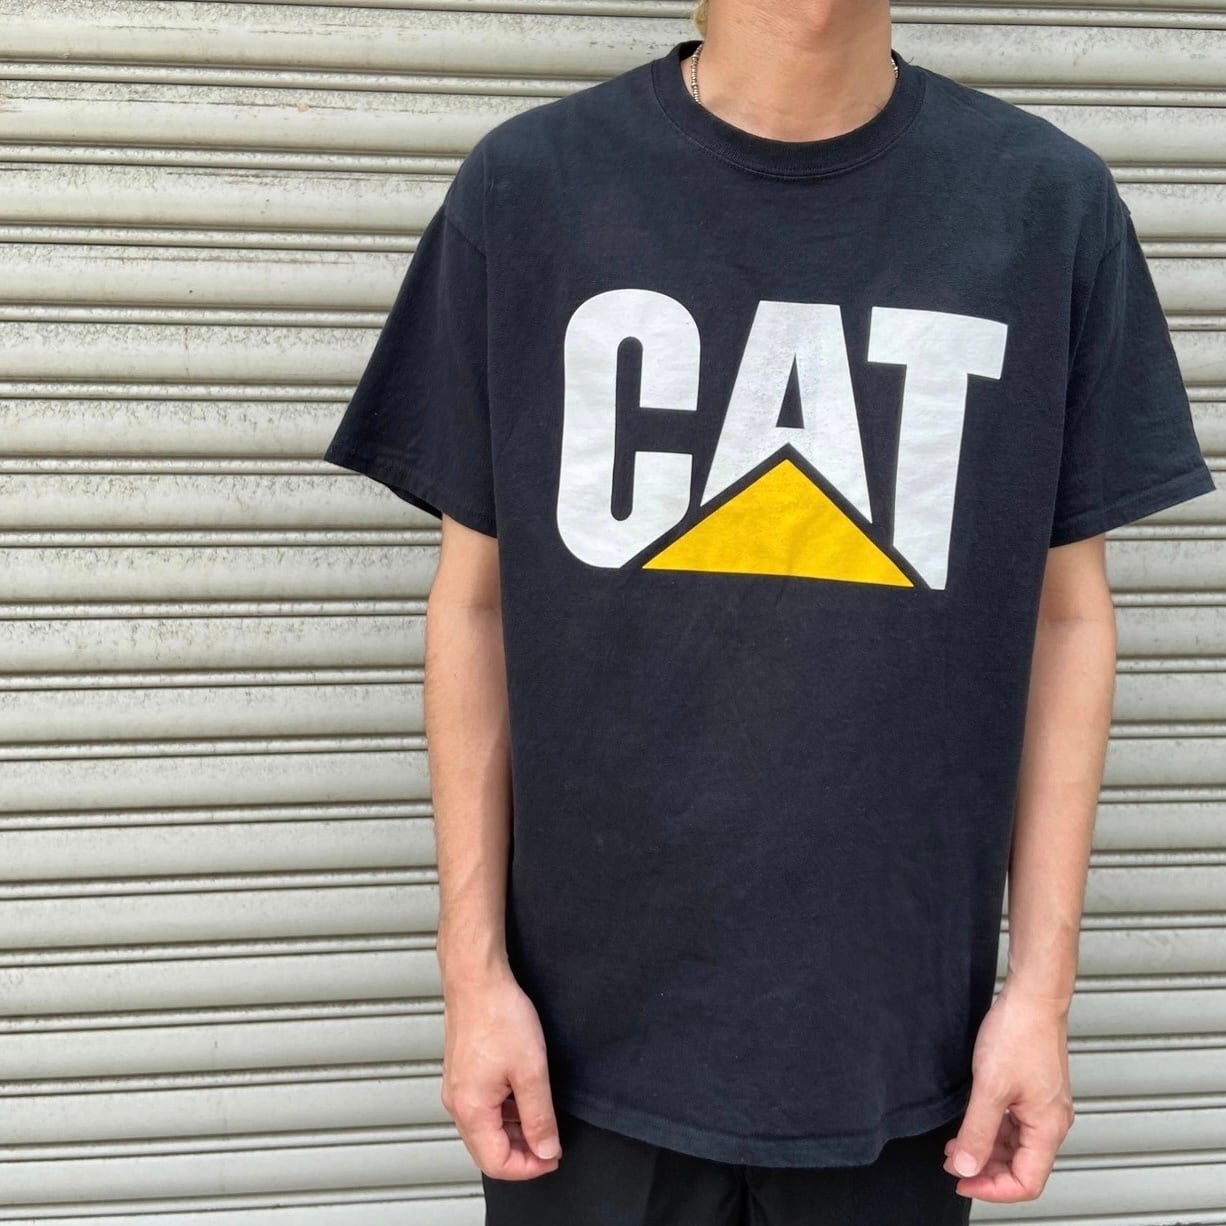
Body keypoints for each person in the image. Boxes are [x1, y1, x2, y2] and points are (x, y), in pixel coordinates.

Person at [322, 0, 1218, 1221]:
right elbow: (473, 606)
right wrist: (470, 975)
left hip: (903, 1062)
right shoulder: (531, 190)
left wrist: (1038, 995)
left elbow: (1066, 621)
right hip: (577, 1064)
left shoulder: (1043, 206)